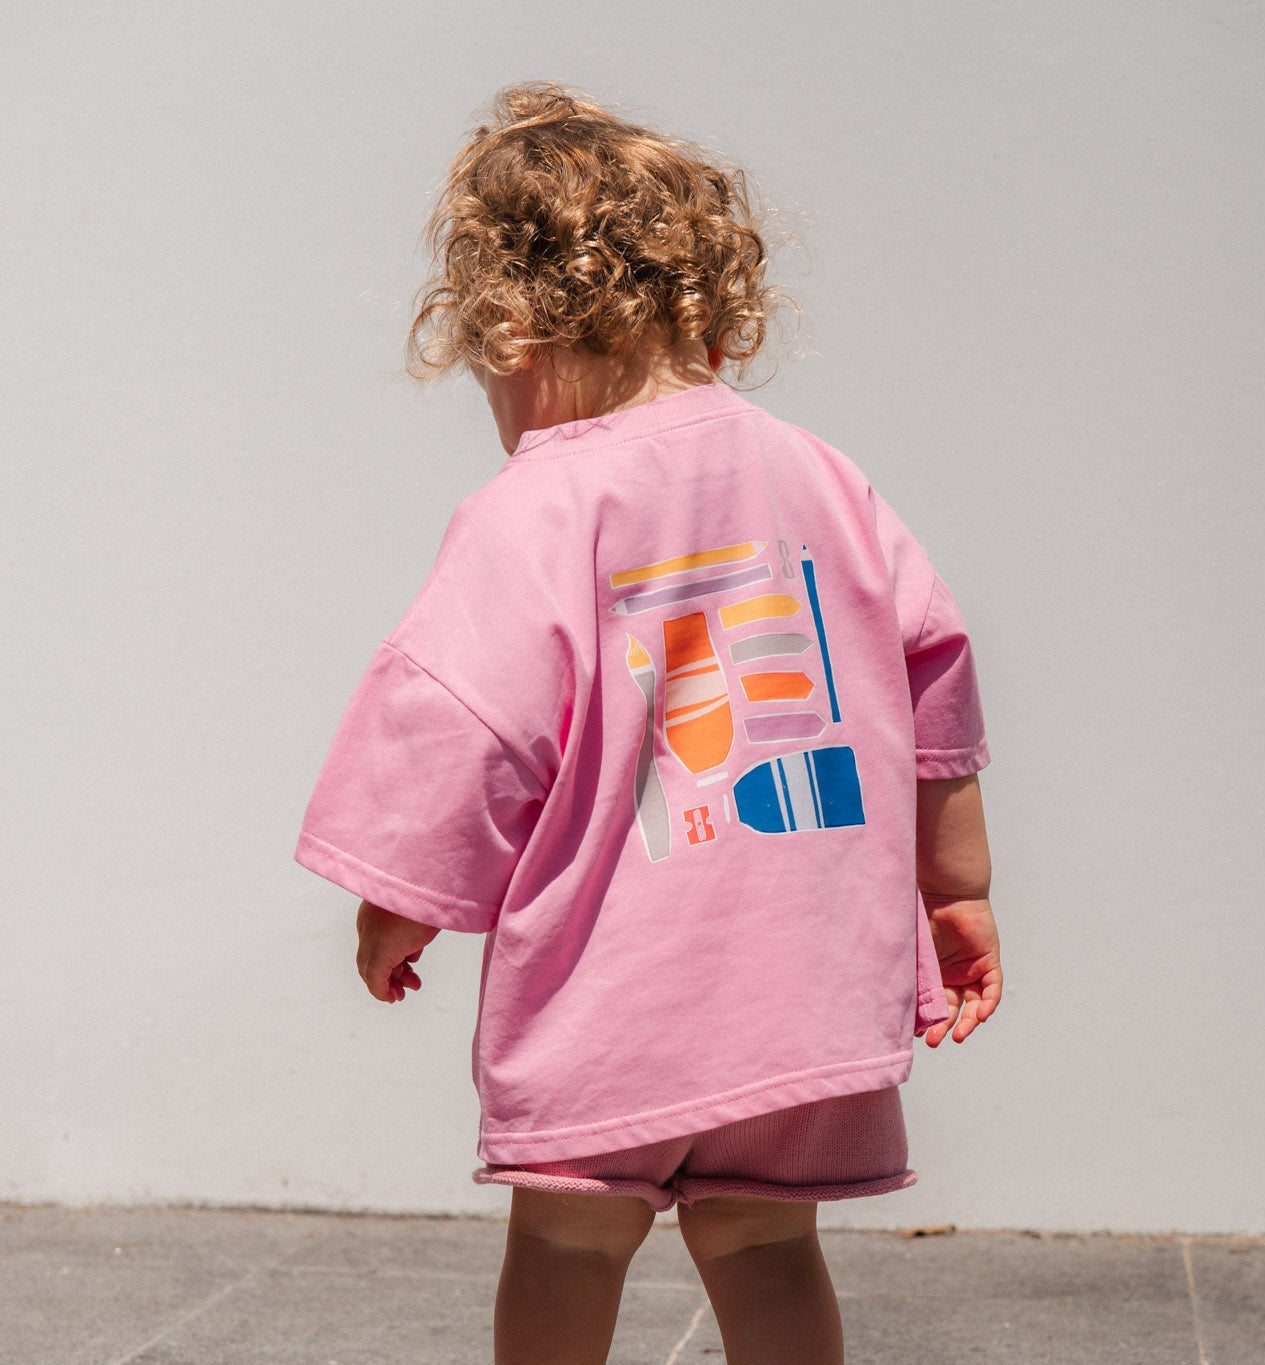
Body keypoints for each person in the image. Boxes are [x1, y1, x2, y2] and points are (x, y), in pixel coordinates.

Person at [294, 79, 1002, 1365]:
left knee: (567, 1245)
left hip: (615, 1004)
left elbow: (459, 719)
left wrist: (397, 898)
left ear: (510, 328)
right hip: (799, 998)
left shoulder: (537, 508)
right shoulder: (819, 475)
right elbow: (933, 664)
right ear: (708, 308)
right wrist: (959, 891)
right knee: (769, 1245)